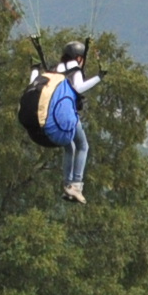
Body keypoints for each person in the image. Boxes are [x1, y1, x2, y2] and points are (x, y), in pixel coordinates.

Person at [45, 39, 101, 202]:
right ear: (78, 58)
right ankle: (76, 184)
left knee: (70, 148)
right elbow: (78, 88)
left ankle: (67, 185)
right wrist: (99, 77)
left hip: (52, 117)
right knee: (83, 146)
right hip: (67, 115)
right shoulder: (75, 70)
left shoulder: (55, 69)